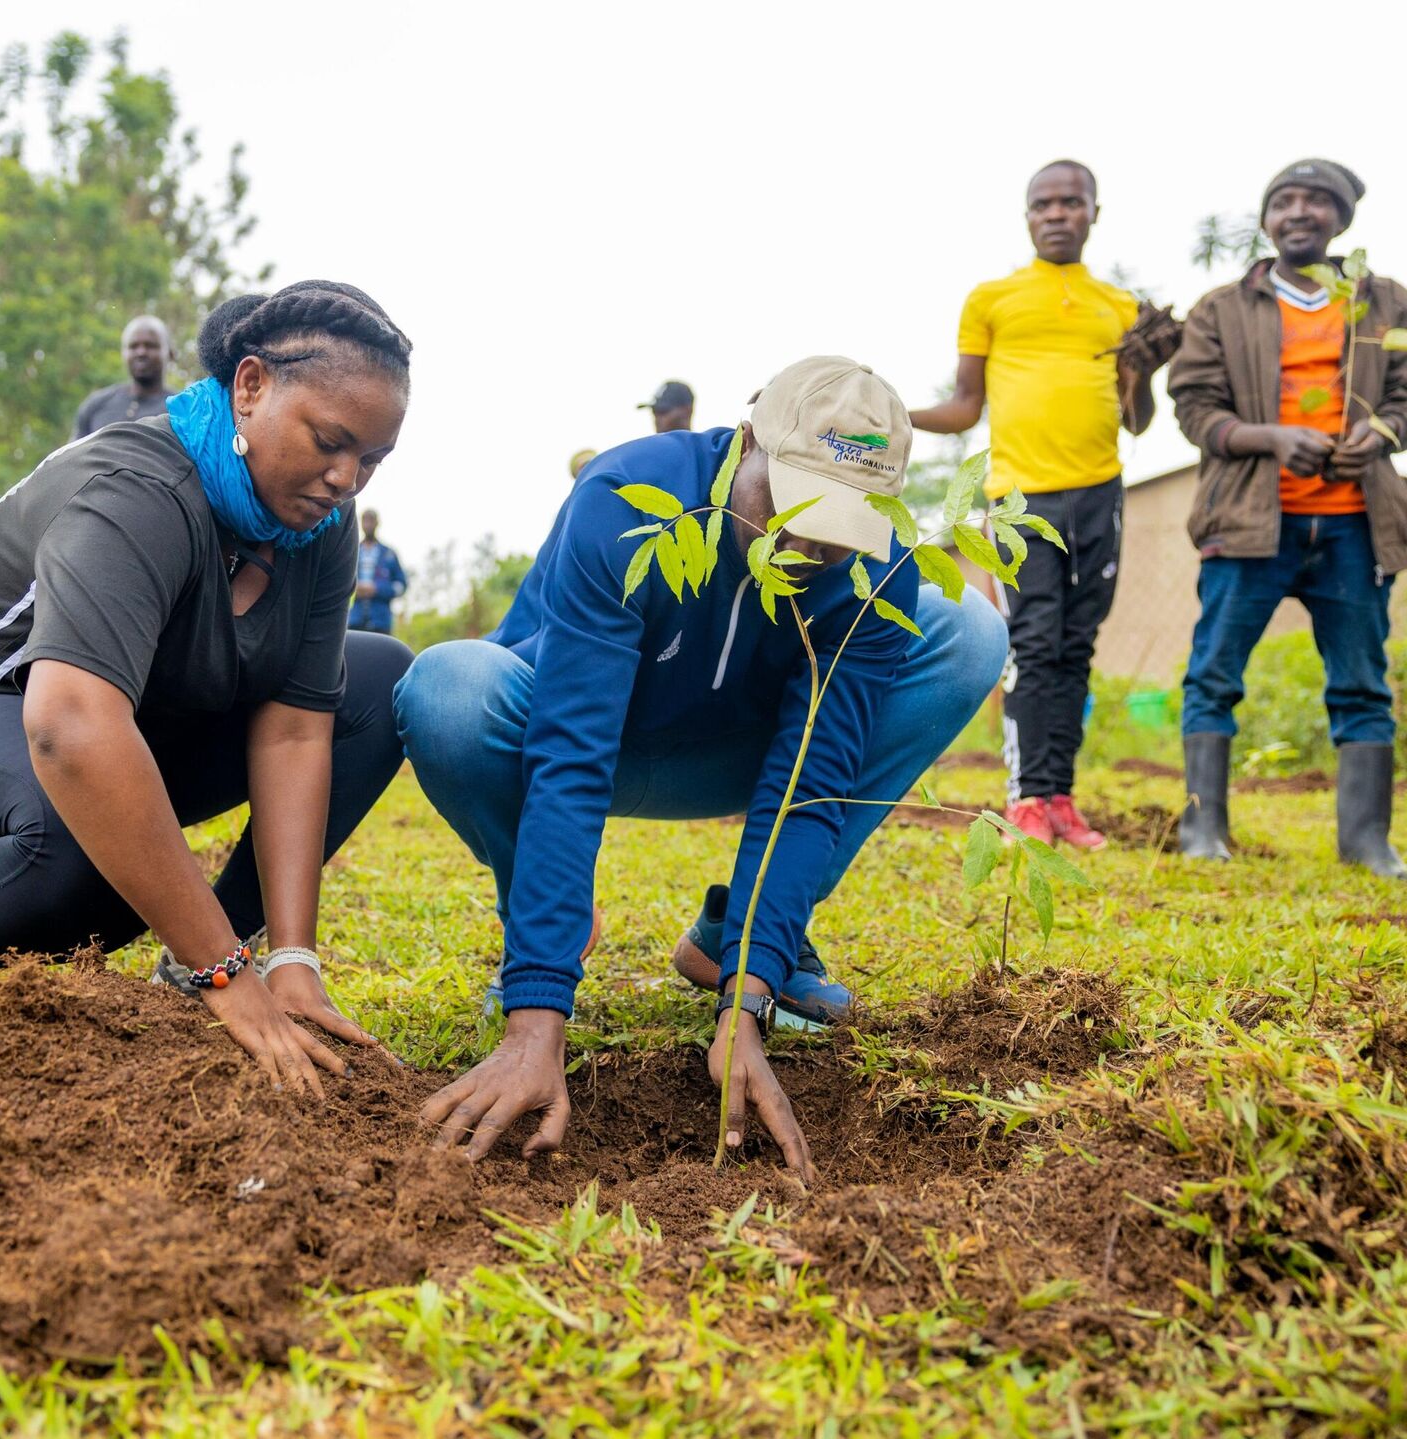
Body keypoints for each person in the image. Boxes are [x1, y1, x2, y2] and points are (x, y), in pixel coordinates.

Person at [394, 358, 1008, 1170]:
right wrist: (536, 1018)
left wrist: (747, 997)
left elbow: (812, 782)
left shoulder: (877, 567)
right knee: (449, 688)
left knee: (969, 630)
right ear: (747, 442)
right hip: (576, 732)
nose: (806, 545)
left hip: (739, 754)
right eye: (791, 506)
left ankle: (740, 936)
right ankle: (545, 926)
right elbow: (570, 755)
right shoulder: (630, 496)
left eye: (840, 525)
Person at [0, 280, 415, 1097]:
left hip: (101, 731)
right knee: (94, 825)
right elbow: (69, 730)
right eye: (331, 441)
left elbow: (298, 729)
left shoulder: (318, 527)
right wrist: (231, 977)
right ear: (250, 386)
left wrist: (290, 960)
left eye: (371, 459)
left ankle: (197, 968)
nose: (347, 479)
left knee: (377, 681)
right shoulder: (138, 490)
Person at [909, 160, 1173, 850]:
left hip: (1100, 491)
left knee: (1075, 645)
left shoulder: (1120, 306)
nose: (1057, 214)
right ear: (1027, 216)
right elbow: (964, 407)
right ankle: (1025, 800)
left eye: (1071, 202)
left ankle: (1060, 799)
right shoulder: (992, 299)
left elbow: (1137, 419)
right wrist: (888, 411)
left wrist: (1146, 369)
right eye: (1043, 204)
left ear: (1094, 212)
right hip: (1018, 499)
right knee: (1031, 642)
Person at [1169, 160, 1407, 876]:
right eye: (1284, 201)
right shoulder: (1220, 308)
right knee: (1214, 674)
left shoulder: (1384, 301)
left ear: (1342, 219)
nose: (1298, 212)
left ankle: (1366, 840)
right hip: (1246, 524)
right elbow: (1195, 407)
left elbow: (1404, 393)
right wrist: (1269, 438)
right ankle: (1202, 829)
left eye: (1316, 201)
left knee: (1363, 682)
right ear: (1267, 218)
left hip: (1356, 524)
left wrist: (1382, 432)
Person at [72, 315, 176, 439]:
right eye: (133, 346)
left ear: (170, 353)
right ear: (123, 353)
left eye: (150, 345)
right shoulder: (96, 405)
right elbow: (73, 450)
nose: (141, 352)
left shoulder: (179, 410)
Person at [347, 508, 408, 634]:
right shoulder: (351, 551)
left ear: (377, 523)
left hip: (381, 622)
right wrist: (355, 588)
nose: (368, 525)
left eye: (371, 520)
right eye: (365, 521)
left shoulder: (389, 554)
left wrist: (377, 589)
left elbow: (401, 585)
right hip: (354, 620)